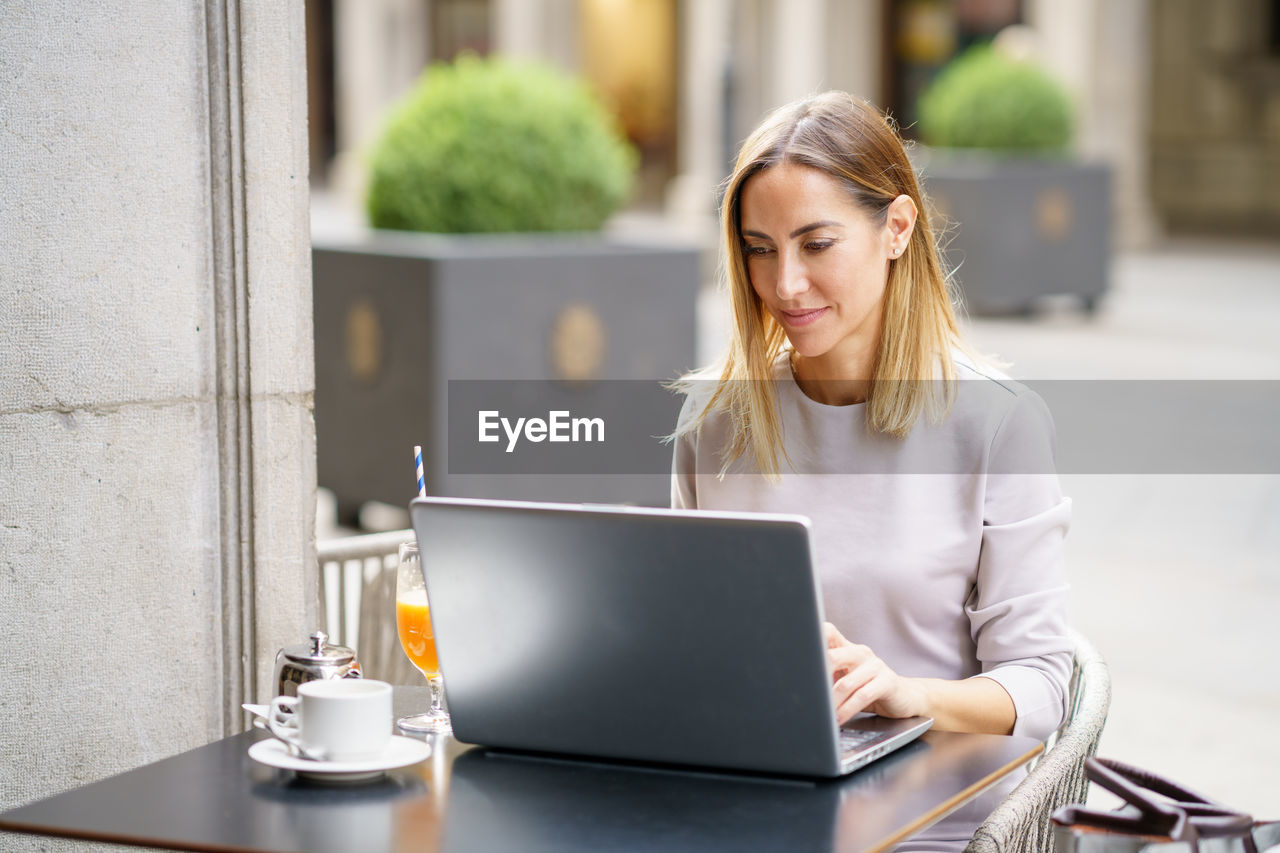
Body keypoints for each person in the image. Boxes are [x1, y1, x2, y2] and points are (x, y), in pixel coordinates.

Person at [670, 91, 1071, 741]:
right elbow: (688, 637)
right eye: (760, 249)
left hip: (930, 814)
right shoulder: (712, 420)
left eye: (816, 244)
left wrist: (910, 695)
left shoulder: (998, 424)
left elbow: (1043, 681)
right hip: (750, 780)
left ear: (898, 228)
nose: (785, 284)